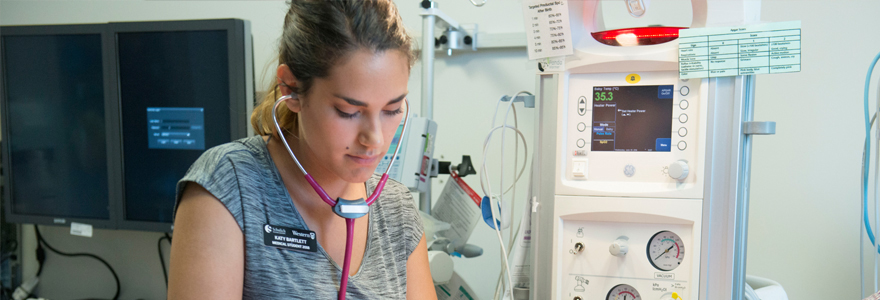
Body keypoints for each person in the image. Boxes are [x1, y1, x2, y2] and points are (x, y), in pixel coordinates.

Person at [167, 1, 436, 299]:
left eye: (392, 109)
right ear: (291, 89)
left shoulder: (397, 210)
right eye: (348, 111)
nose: (374, 139)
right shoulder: (229, 187)